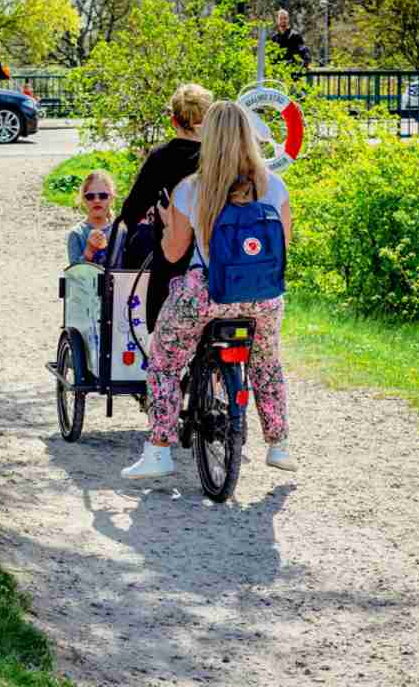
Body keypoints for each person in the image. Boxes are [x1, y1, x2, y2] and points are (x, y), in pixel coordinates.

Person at [121, 101, 296, 480]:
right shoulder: (275, 185)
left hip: (206, 293)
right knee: (266, 363)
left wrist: (167, 223)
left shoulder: (191, 189)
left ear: (210, 138)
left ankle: (159, 450)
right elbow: (283, 244)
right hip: (263, 298)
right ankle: (278, 444)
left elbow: (174, 252)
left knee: (164, 360)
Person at [118, 83, 214, 328]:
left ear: (174, 120)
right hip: (222, 262)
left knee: (163, 341)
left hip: (174, 264)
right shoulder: (220, 157)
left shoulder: (161, 158)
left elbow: (132, 211)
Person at [67, 170, 121, 267]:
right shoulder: (77, 234)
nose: (96, 200)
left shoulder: (120, 232)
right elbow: (74, 276)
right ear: (83, 200)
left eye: (103, 196)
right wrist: (89, 252)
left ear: (111, 198)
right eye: (90, 196)